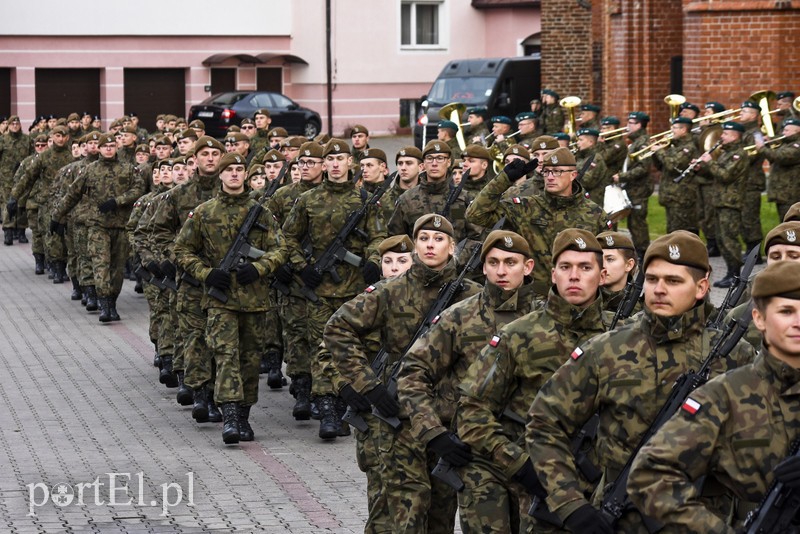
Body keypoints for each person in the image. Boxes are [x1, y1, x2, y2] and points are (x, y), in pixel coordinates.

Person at [527, 231, 754, 533]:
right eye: (652, 279)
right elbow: (545, 422)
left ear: (701, 287)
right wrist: (569, 503)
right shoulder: (608, 347)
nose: (659, 289)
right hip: (621, 518)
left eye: (673, 281)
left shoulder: (734, 355)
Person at [325, 214, 482, 533]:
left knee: (441, 515)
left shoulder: (473, 295)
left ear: (452, 247)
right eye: (423, 238)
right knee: (405, 513)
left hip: (448, 422)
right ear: (414, 247)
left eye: (439, 239)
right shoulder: (391, 290)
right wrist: (368, 386)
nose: (430, 244)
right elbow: (338, 328)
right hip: (400, 422)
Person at [628, 260, 800, 532]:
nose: (798, 322)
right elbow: (649, 474)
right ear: (759, 318)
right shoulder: (723, 396)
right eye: (786, 311)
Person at [455, 229, 608, 532]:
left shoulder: (620, 338)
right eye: (566, 268)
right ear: (553, 275)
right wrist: (519, 463)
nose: (574, 276)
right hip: (531, 485)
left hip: (599, 489)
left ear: (602, 276)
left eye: (585, 268)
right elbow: (471, 411)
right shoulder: (519, 334)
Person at [398, 229, 537, 533]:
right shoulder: (459, 317)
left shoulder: (545, 318)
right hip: (477, 457)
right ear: (483, 267)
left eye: (511, 262)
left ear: (528, 267)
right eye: (494, 262)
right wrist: (433, 432)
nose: (502, 271)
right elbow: (412, 371)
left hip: (533, 457)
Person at [175, 153, 286, 444]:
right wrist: (206, 273)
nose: (235, 175)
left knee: (250, 360)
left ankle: (245, 413)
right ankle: (231, 417)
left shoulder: (260, 212)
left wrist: (258, 267)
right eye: (230, 170)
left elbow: (280, 250)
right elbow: (181, 250)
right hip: (220, 301)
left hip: (255, 300)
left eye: (240, 170)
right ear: (221, 175)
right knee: (225, 357)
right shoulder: (203, 212)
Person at [280, 138, 386, 439]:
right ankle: (328, 410)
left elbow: (378, 237)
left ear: (350, 164)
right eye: (331, 159)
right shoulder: (308, 200)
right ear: (323, 165)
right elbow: (287, 238)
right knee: (321, 347)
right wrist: (303, 267)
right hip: (320, 290)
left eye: (342, 158)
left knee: (357, 348)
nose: (337, 163)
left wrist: (372, 260)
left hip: (356, 290)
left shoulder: (364, 200)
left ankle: (350, 403)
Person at [141, 136, 225, 421]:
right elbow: (158, 230)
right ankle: (201, 393)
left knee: (222, 340)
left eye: (216, 154)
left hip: (225, 280)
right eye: (205, 154)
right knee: (194, 338)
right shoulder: (179, 194)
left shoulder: (237, 192)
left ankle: (218, 395)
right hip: (190, 281)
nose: (211, 158)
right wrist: (175, 258)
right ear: (195, 159)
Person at [466, 146, 608, 295]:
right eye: (546, 172)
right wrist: (504, 179)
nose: (551, 177)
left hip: (578, 297)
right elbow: (475, 215)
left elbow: (606, 261)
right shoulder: (526, 207)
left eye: (558, 171)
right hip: (532, 301)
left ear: (573, 175)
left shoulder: (595, 214)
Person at [51, 133, 145, 321]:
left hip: (120, 225)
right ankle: (104, 305)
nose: (109, 149)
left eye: (111, 146)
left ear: (116, 148)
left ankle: (112, 301)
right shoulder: (89, 170)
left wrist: (117, 201)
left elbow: (139, 189)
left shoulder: (128, 169)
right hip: (97, 225)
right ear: (100, 149)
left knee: (117, 268)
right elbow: (72, 195)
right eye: (105, 146)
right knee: (100, 264)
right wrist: (56, 217)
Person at [268, 141, 327, 420]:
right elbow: (268, 233)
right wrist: (279, 264)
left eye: (310, 163)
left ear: (322, 165)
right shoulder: (282, 196)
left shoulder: (332, 195)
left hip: (324, 279)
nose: (304, 167)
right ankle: (302, 390)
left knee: (321, 338)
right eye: (301, 163)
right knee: (296, 335)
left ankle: (322, 393)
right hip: (292, 278)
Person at [8, 125, 74, 275]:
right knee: (50, 235)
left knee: (67, 237)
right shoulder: (44, 157)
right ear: (52, 137)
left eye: (63, 136)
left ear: (68, 138)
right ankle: (55, 266)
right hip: (47, 202)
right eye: (57, 135)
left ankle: (63, 266)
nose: (61, 139)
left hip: (69, 203)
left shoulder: (71, 158)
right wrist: (14, 197)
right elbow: (28, 177)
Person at [694, 121, 748, 288]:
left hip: (730, 202)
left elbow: (725, 175)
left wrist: (709, 161)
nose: (721, 136)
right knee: (722, 239)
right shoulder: (726, 152)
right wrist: (701, 166)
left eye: (725, 134)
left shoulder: (739, 154)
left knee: (729, 239)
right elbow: (715, 174)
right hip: (720, 200)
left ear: (734, 136)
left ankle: (737, 275)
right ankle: (730, 273)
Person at [612, 112, 651, 257]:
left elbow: (643, 168)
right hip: (632, 188)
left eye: (632, 123)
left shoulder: (643, 142)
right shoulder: (635, 141)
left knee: (637, 224)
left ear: (639, 125)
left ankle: (644, 254)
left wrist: (622, 177)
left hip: (639, 189)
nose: (628, 126)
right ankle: (640, 252)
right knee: (633, 224)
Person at [652, 116, 698, 233]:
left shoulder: (688, 147)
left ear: (683, 130)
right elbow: (661, 167)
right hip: (671, 195)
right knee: (671, 230)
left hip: (681, 196)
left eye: (675, 128)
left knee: (679, 231)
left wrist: (660, 151)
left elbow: (672, 166)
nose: (671, 130)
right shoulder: (674, 146)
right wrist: (655, 153)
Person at [739, 100, 767, 262]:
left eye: (745, 111)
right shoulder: (743, 132)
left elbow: (753, 155)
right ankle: (750, 250)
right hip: (743, 181)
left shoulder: (756, 133)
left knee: (750, 218)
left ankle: (754, 253)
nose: (741, 113)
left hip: (751, 181)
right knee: (744, 218)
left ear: (754, 115)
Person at [759, 117, 800, 221]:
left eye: (787, 130)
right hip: (783, 192)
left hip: (791, 193)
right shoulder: (786, 143)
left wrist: (762, 148)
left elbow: (780, 157)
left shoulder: (797, 145)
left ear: (797, 130)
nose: (783, 132)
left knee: (790, 223)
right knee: (784, 222)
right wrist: (768, 143)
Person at [0, 116, 32, 245]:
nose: (14, 125)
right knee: (7, 204)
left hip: (23, 177)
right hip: (6, 178)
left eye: (17, 123)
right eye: (12, 123)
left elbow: (32, 157)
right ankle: (8, 230)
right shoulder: (3, 140)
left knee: (22, 204)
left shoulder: (27, 139)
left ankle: (21, 231)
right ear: (8, 125)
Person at [597, 230, 638, 313]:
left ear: (629, 265)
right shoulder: (584, 297)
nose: (603, 265)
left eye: (610, 259)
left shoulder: (639, 304)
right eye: (599, 259)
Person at [573, 128, 609, 208]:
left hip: (591, 205)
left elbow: (586, 181)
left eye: (581, 140)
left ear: (590, 142)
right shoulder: (582, 156)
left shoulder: (596, 159)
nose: (577, 143)